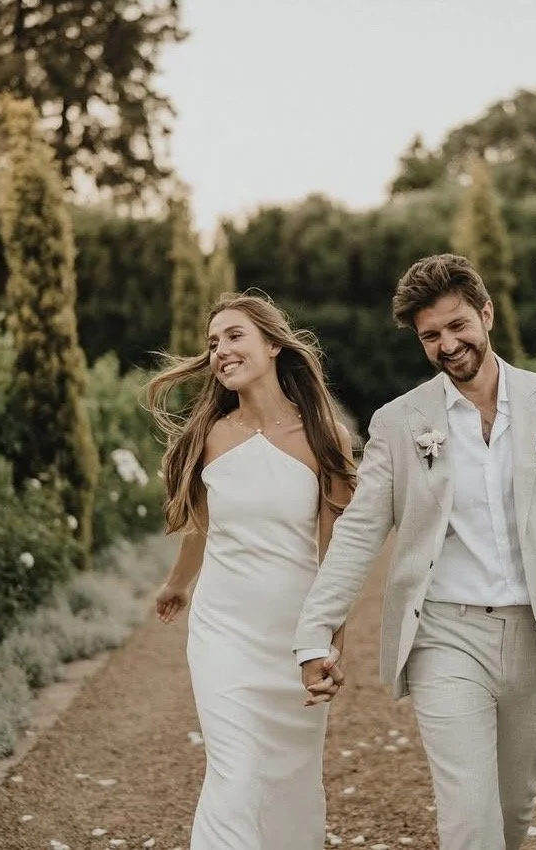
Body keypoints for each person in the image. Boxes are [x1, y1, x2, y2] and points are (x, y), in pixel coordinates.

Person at [294, 254, 536, 850]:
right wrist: (315, 631)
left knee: (512, 813)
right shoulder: (398, 422)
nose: (447, 344)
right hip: (444, 636)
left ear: (485, 314)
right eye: (430, 335)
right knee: (468, 817)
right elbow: (358, 531)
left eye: (458, 326)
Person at [147, 292, 355, 850]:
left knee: (289, 784)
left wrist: (331, 645)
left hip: (294, 636)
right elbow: (201, 524)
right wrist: (178, 583)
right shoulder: (210, 435)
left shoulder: (323, 438)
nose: (220, 350)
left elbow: (338, 552)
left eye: (234, 335)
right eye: (213, 342)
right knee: (235, 774)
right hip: (224, 632)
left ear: (273, 344)